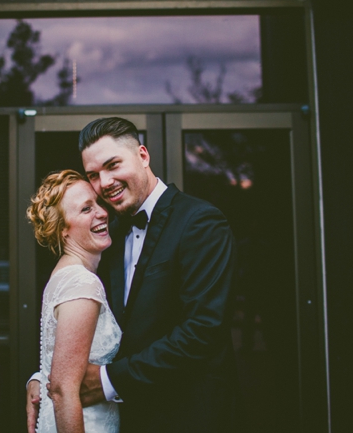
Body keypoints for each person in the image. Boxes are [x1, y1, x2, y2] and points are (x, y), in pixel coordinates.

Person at [27, 117, 237, 433]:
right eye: (94, 175)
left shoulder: (199, 223)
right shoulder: (107, 235)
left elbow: (203, 330)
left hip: (189, 416)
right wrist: (44, 378)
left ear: (142, 156)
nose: (105, 182)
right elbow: (81, 320)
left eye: (113, 165)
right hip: (131, 420)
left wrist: (109, 381)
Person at [27, 169, 122, 433]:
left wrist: (35, 380)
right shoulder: (81, 282)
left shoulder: (63, 275)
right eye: (85, 209)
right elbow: (62, 390)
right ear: (62, 231)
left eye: (98, 204)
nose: (102, 213)